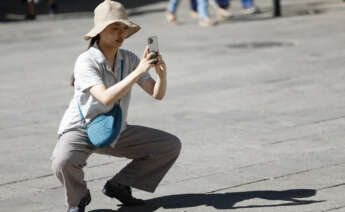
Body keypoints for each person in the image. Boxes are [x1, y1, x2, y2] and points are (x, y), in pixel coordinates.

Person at [51, 0, 182, 211]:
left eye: (124, 29)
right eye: (114, 28)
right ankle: (78, 198)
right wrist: (138, 72)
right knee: (62, 161)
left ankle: (120, 185)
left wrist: (162, 76)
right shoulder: (86, 61)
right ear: (100, 31)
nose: (121, 34)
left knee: (169, 146)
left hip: (114, 128)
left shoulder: (128, 58)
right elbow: (104, 97)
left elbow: (156, 94)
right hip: (81, 128)